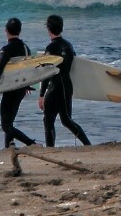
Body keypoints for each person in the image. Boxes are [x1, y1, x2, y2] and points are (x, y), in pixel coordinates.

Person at [0, 17, 39, 148]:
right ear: (20, 31)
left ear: (6, 30)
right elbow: (28, 67)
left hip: (11, 88)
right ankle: (9, 145)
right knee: (10, 122)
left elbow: (0, 66)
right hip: (20, 88)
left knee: (6, 125)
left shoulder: (7, 48)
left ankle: (31, 144)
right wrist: (27, 85)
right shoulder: (26, 48)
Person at [38, 14, 92, 147]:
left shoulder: (50, 48)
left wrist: (41, 95)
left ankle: (50, 149)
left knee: (48, 120)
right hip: (67, 86)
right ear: (61, 28)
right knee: (66, 120)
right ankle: (87, 144)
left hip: (55, 87)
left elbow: (47, 72)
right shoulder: (69, 45)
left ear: (48, 29)